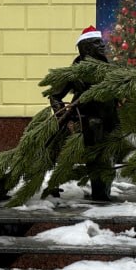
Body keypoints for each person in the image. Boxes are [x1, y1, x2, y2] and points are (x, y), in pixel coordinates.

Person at [47, 26, 119, 201]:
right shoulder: (75, 72)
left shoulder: (109, 68)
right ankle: (100, 197)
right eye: (97, 43)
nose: (103, 45)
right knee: (98, 158)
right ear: (86, 47)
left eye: (102, 42)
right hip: (90, 123)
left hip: (112, 121)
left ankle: (103, 193)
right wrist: (64, 118)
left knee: (109, 158)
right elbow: (55, 96)